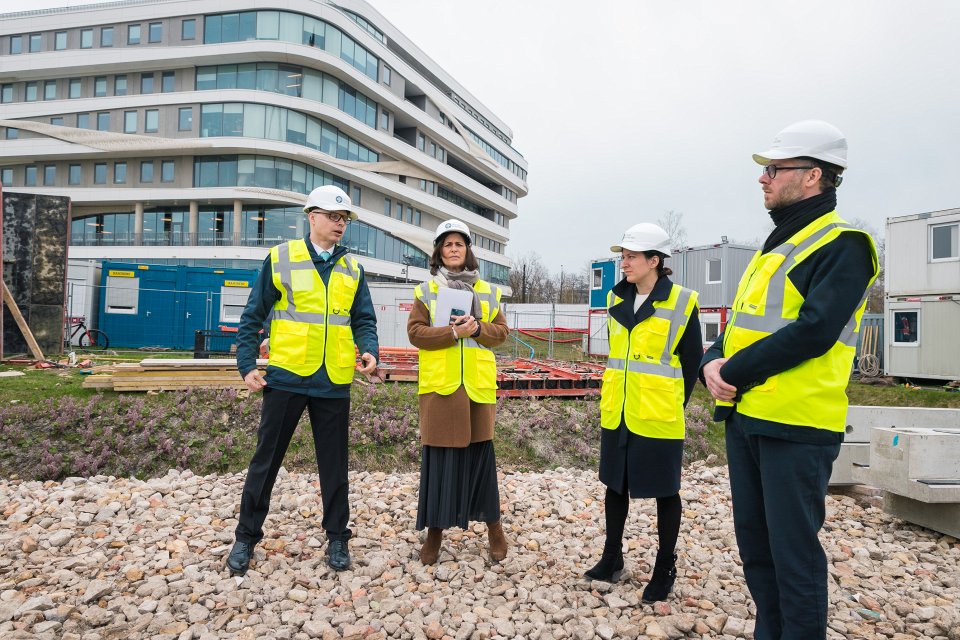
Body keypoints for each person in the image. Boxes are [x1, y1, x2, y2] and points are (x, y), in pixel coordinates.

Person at [700, 120, 878, 639]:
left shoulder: (844, 245)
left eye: (775, 169)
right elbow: (739, 324)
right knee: (757, 551)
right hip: (749, 418)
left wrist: (729, 372)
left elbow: (815, 331)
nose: (764, 178)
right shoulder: (774, 247)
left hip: (796, 426)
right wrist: (712, 360)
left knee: (794, 556)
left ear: (812, 176)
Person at [226, 184, 379, 576]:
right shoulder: (281, 258)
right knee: (266, 461)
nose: (340, 224)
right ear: (312, 217)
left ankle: (337, 537)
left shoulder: (352, 269)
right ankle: (245, 537)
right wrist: (247, 364)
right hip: (287, 377)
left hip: (333, 381)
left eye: (344, 219)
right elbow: (252, 315)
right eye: (333, 217)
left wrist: (369, 349)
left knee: (334, 466)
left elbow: (363, 319)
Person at [585, 223, 702, 604]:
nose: (624, 263)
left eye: (632, 256)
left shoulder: (683, 302)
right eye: (623, 256)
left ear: (655, 260)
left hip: (658, 412)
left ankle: (664, 568)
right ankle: (612, 558)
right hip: (617, 411)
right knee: (614, 486)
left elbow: (691, 363)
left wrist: (667, 400)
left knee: (666, 492)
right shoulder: (616, 300)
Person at [406, 219, 510, 565]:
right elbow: (416, 334)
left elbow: (501, 334)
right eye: (447, 244)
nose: (454, 249)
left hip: (478, 391)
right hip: (442, 390)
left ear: (468, 251)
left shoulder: (489, 291)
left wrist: (478, 328)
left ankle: (494, 528)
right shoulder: (425, 291)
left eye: (459, 244)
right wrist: (450, 334)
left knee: (482, 464)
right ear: (439, 252)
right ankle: (435, 532)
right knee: (440, 464)